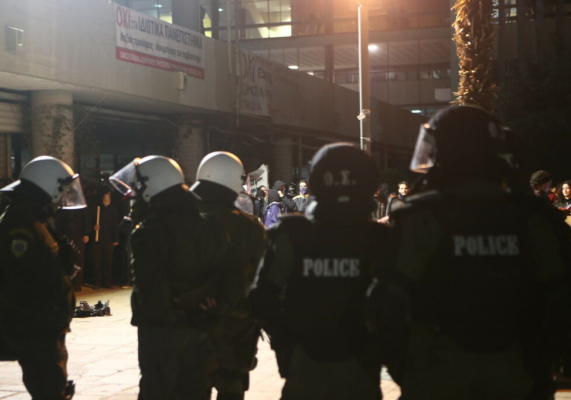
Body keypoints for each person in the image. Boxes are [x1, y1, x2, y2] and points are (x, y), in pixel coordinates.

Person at [389, 106, 571, 400]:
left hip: (437, 370)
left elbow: (388, 303)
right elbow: (559, 300)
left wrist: (408, 369)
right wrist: (541, 368)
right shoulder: (533, 217)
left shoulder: (422, 215)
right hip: (517, 370)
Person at [250, 143, 390, 400]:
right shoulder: (381, 239)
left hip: (305, 362)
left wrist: (285, 346)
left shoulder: (290, 235)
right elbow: (401, 307)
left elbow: (262, 301)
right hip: (360, 365)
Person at [109, 155, 231, 400]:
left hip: (162, 334)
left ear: (152, 187)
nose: (133, 196)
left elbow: (151, 293)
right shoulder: (212, 226)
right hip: (203, 328)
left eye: (136, 189)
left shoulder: (148, 233)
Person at [0, 156, 86, 399]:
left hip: (45, 326)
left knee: (53, 387)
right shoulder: (20, 224)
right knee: (49, 390)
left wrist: (62, 265)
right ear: (48, 186)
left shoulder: (33, 218)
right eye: (62, 190)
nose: (63, 198)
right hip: (35, 328)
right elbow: (24, 281)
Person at [191, 151, 267, 400]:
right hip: (235, 334)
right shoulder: (249, 227)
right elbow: (264, 278)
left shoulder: (181, 221)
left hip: (189, 330)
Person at [55, 207, 91, 292]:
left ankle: (77, 284)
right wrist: (59, 235)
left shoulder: (80, 205)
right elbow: (59, 220)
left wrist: (86, 234)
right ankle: (68, 284)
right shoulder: (63, 206)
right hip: (66, 235)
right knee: (66, 259)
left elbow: (87, 219)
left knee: (79, 259)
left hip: (79, 235)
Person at [91, 192, 119, 289]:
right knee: (97, 262)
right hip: (97, 239)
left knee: (108, 262)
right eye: (105, 199)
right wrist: (93, 227)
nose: (107, 200)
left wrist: (116, 239)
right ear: (102, 199)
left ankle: (107, 282)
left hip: (109, 239)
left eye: (108, 199)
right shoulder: (96, 209)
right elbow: (90, 221)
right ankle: (97, 282)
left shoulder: (113, 209)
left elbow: (115, 225)